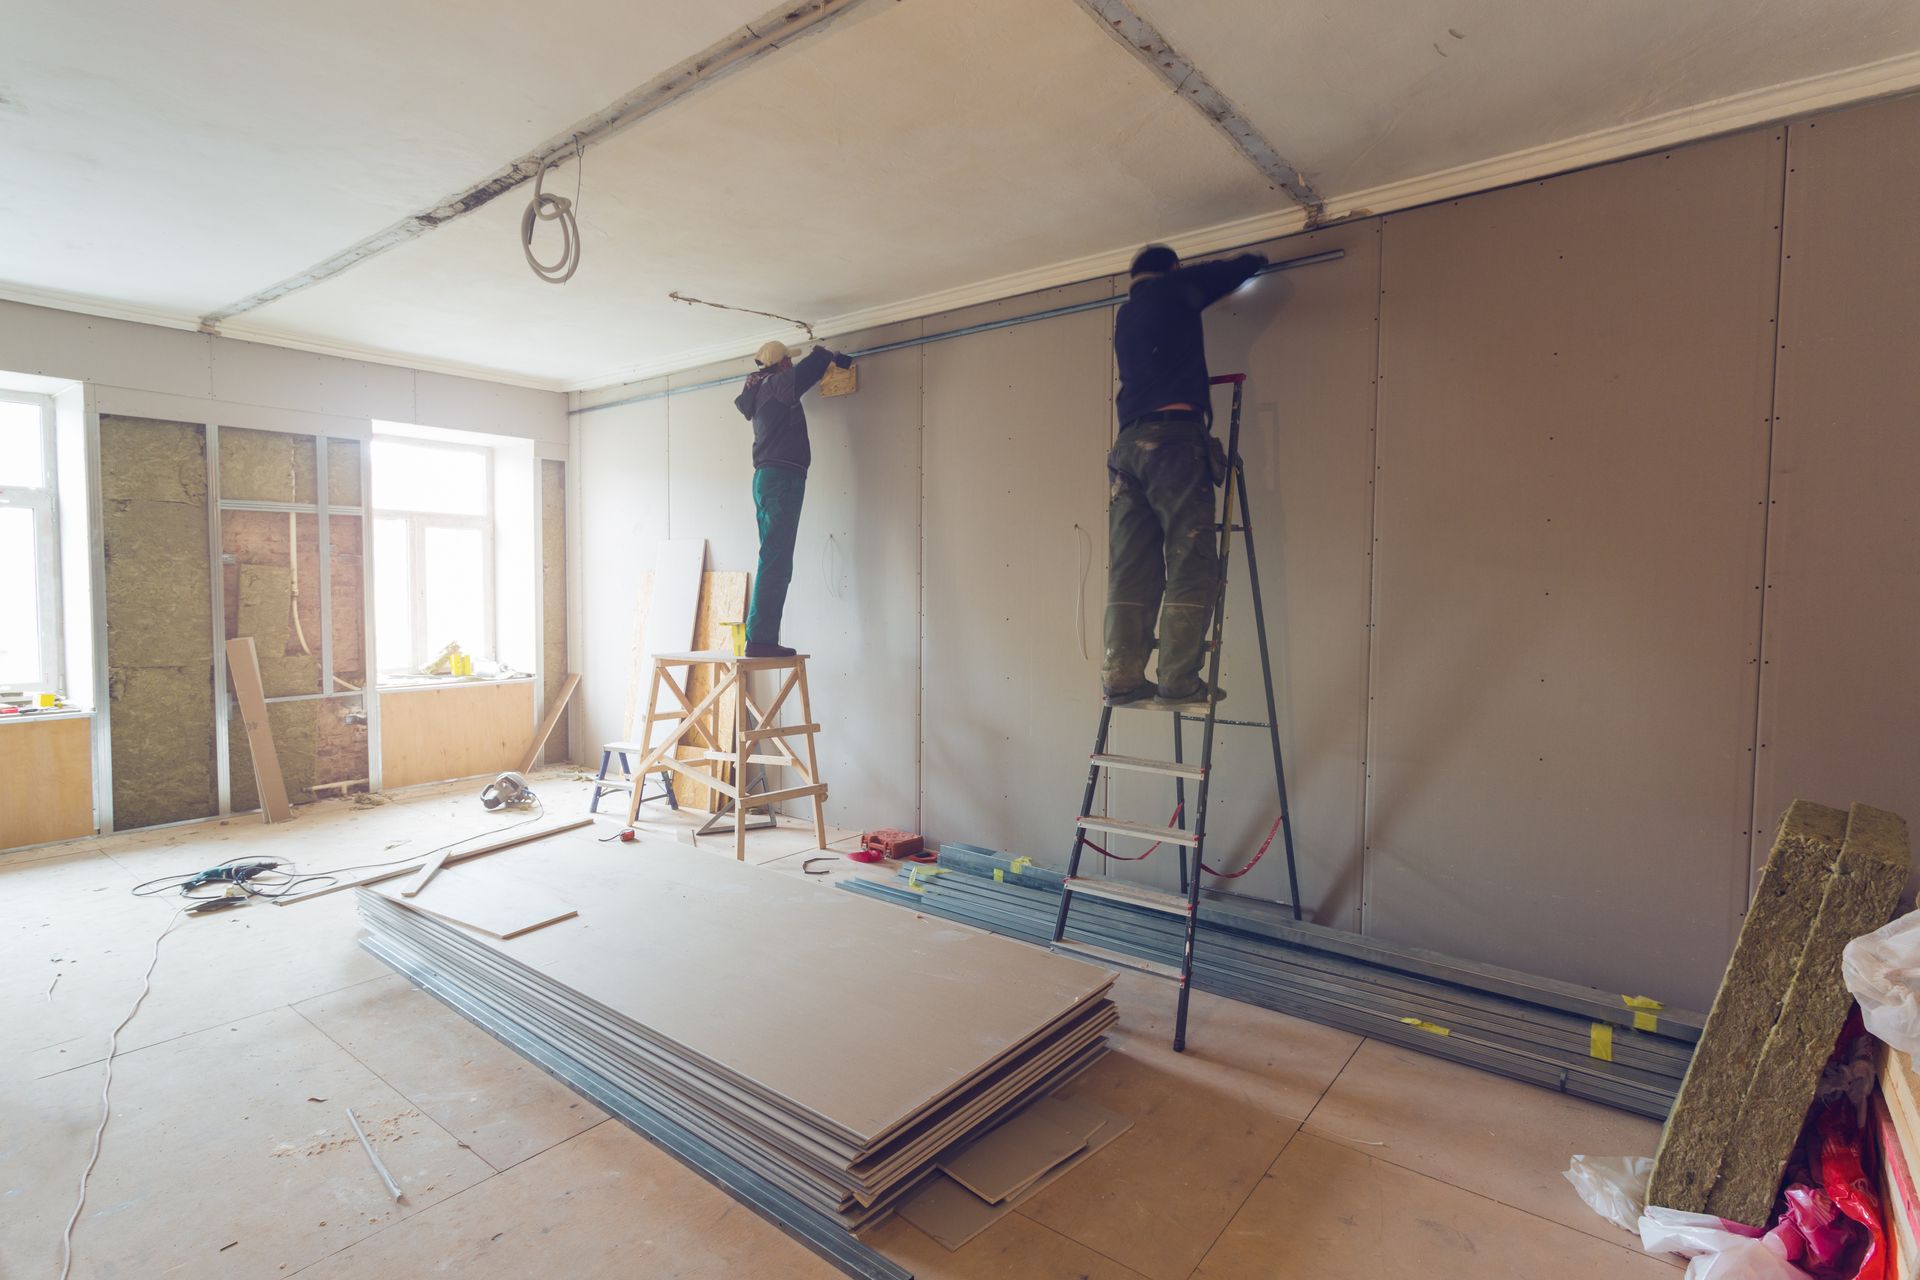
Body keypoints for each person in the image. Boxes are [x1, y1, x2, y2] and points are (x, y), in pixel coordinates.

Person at [1103, 243, 1267, 707]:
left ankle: (1121, 676)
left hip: (1127, 450)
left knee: (1132, 568)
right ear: (1171, 270)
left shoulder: (1127, 314)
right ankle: (1178, 679)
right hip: (1172, 444)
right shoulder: (1172, 291)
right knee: (1191, 559)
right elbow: (1226, 273)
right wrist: (1257, 261)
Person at [733, 338, 853, 658]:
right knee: (776, 560)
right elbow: (807, 371)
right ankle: (760, 640)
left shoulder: (760, 390)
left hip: (768, 480)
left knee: (773, 557)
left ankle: (761, 636)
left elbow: (804, 378)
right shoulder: (776, 384)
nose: (790, 366)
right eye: (788, 361)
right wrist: (827, 353)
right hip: (781, 480)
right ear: (782, 363)